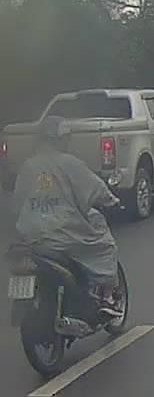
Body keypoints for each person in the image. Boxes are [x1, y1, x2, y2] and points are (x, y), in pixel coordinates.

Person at [12, 116, 123, 320]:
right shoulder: (70, 163)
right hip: (64, 231)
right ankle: (107, 297)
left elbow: (17, 202)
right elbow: (96, 189)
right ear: (62, 139)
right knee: (105, 246)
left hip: (30, 234)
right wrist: (113, 201)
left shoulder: (28, 166)